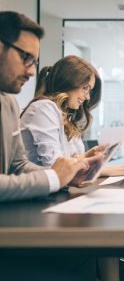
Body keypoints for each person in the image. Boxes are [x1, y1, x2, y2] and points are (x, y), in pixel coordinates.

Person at [0, 11, 100, 202]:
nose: (31, 71)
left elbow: (18, 165)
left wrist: (66, 176)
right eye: (26, 58)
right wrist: (54, 177)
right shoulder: (43, 107)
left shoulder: (9, 103)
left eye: (34, 62)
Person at [20, 55, 124, 177]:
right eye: (85, 88)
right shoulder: (44, 108)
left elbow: (76, 168)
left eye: (89, 90)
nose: (87, 97)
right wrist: (84, 160)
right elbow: (57, 167)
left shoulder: (63, 116)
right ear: (68, 82)